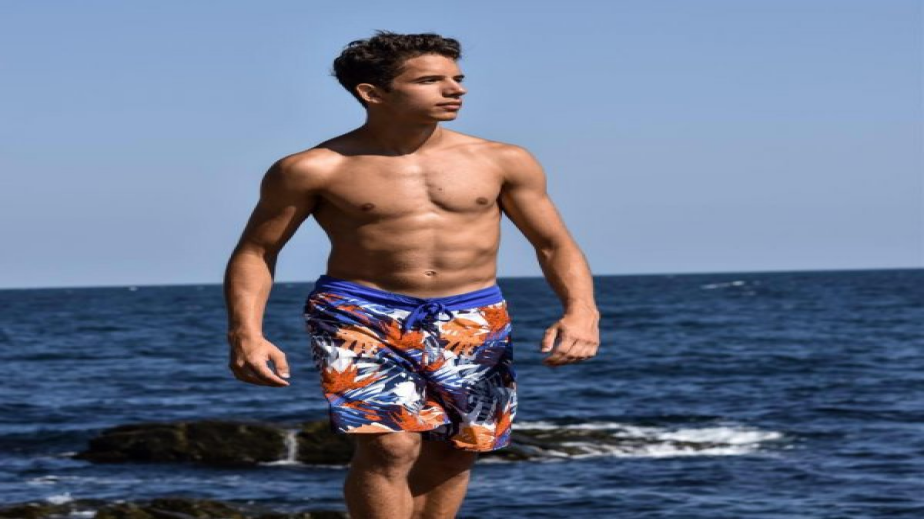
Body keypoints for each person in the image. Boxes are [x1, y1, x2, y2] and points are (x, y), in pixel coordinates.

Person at [224, 30, 600, 519]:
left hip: (472, 315)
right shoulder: (313, 168)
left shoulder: (503, 160)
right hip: (361, 312)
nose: (455, 89)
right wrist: (246, 334)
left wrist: (581, 311)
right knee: (390, 445)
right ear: (372, 93)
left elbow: (554, 244)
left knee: (456, 449)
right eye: (429, 80)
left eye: (457, 78)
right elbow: (257, 251)